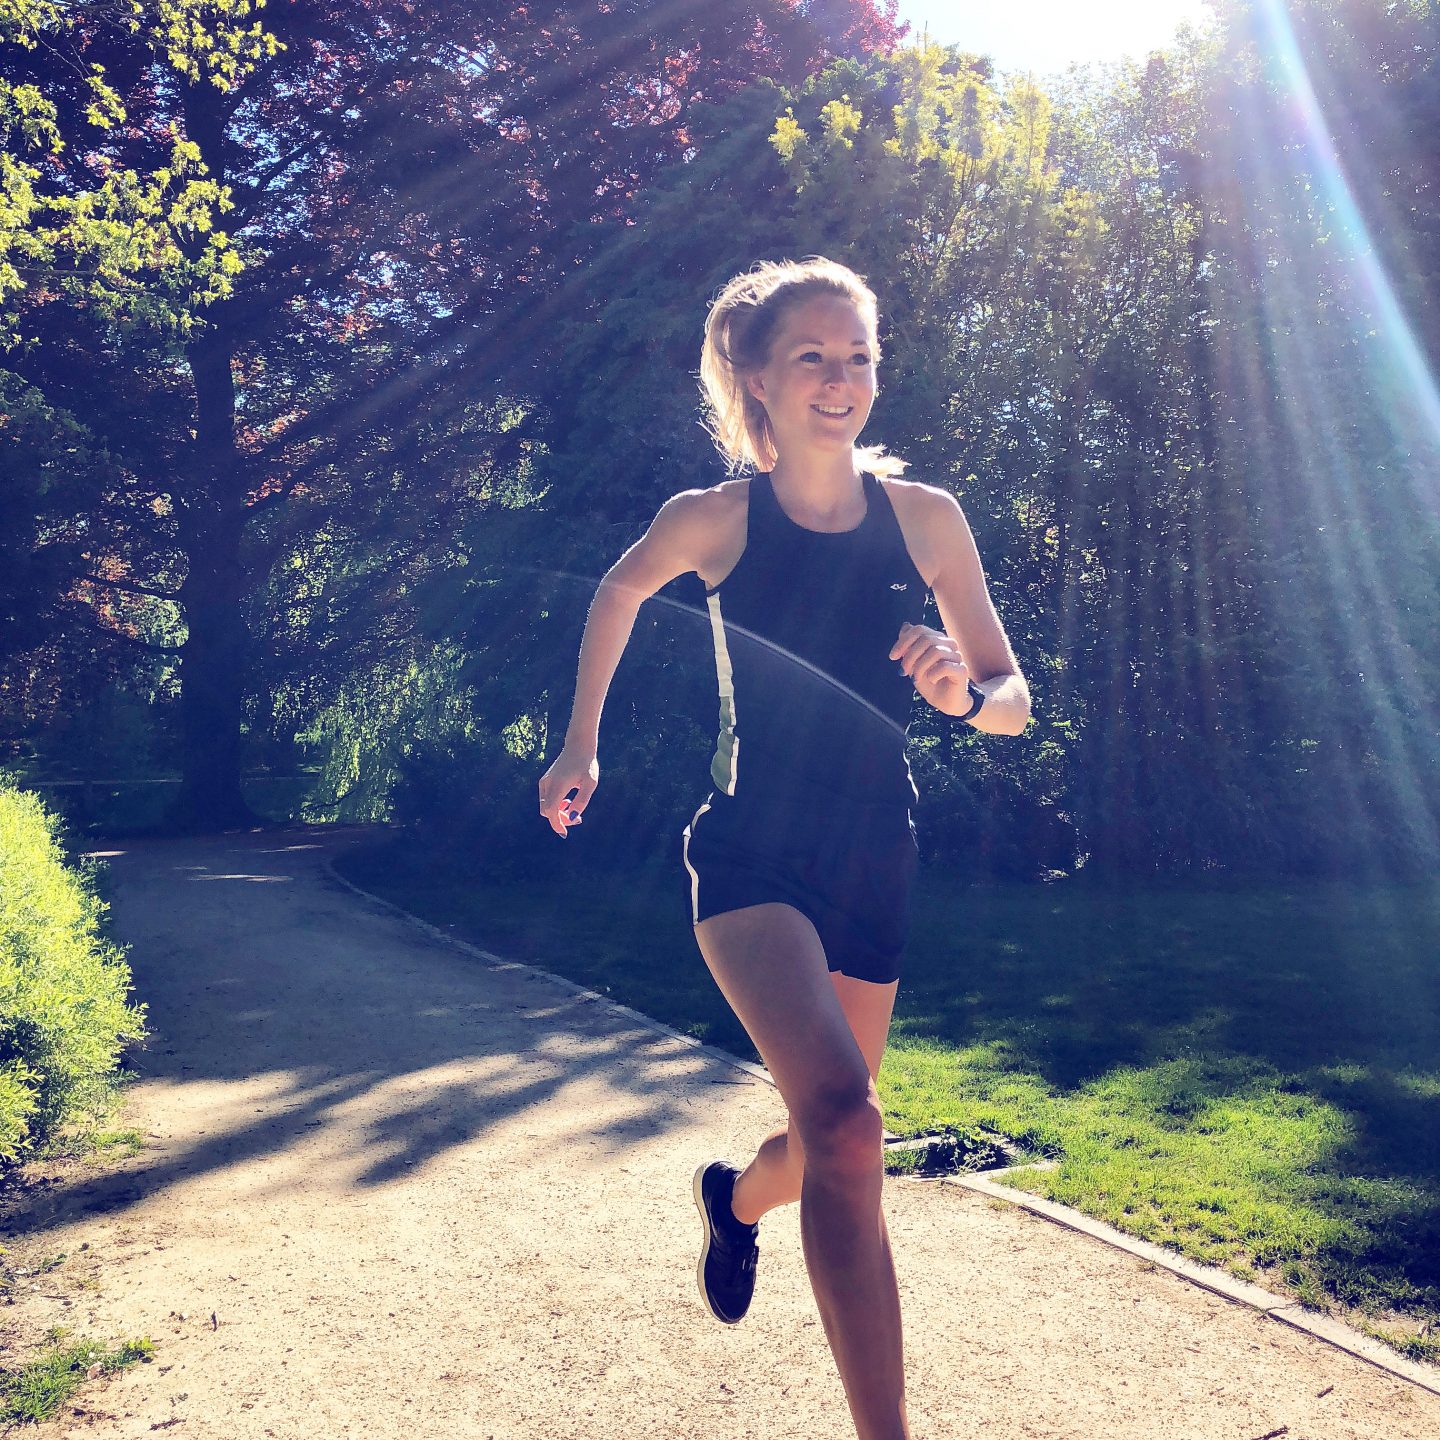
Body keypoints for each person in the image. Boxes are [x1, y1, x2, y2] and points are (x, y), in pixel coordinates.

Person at [537, 256, 1030, 1440]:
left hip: (877, 854)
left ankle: (733, 1199)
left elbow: (1014, 697)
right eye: (813, 355)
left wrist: (964, 692)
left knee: (826, 1138)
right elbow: (616, 593)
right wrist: (579, 749)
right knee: (853, 1126)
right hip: (751, 852)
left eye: (859, 355)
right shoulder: (714, 521)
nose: (842, 379)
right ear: (757, 377)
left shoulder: (927, 520)